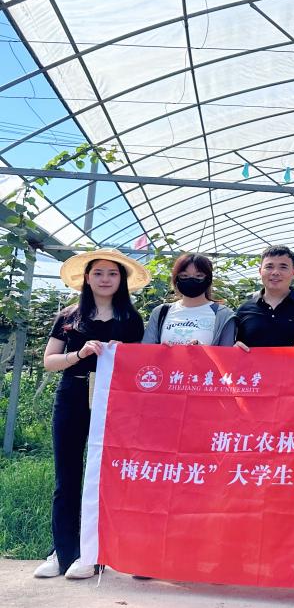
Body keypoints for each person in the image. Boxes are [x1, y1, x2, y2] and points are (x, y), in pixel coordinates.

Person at [34, 249, 149, 580]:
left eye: (112, 274)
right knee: (67, 476)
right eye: (98, 273)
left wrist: (124, 355)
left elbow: (140, 366)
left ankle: (95, 553)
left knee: (104, 477)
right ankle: (62, 551)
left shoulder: (131, 320)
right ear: (87, 278)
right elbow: (50, 361)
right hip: (72, 395)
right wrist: (79, 354)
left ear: (121, 280)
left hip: (114, 402)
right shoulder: (69, 315)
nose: (105, 279)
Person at [143, 253, 236, 346]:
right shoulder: (161, 312)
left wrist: (203, 350)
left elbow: (227, 353)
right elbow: (146, 350)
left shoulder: (223, 315)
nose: (191, 280)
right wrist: (160, 350)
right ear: (176, 279)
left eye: (199, 275)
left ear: (208, 279)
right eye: (184, 276)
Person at [234, 245, 294, 349]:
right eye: (269, 267)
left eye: (283, 267)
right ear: (260, 271)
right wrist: (234, 347)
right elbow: (234, 342)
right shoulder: (244, 310)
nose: (275, 272)